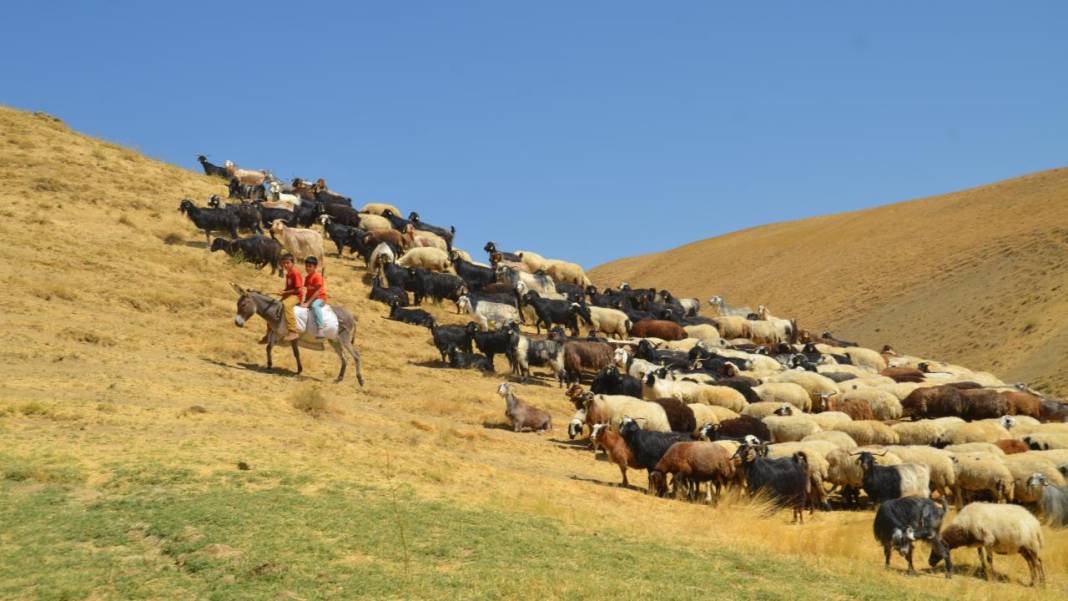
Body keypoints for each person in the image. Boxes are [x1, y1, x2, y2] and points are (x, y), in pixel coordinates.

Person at [262, 253, 303, 343]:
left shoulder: (295, 273)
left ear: (292, 263)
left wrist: (285, 292)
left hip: (296, 296)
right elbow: (289, 288)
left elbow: (298, 290)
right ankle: (269, 333)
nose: (285, 265)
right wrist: (283, 292)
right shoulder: (289, 274)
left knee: (286, 305)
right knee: (273, 308)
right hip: (289, 295)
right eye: (283, 263)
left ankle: (293, 331)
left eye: (287, 263)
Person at [301, 255, 327, 339]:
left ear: (315, 267)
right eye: (306, 266)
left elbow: (317, 292)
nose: (307, 268)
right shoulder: (307, 278)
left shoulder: (317, 277)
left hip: (320, 298)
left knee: (315, 306)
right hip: (310, 299)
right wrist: (304, 301)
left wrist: (308, 303)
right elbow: (308, 291)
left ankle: (320, 328)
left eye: (310, 266)